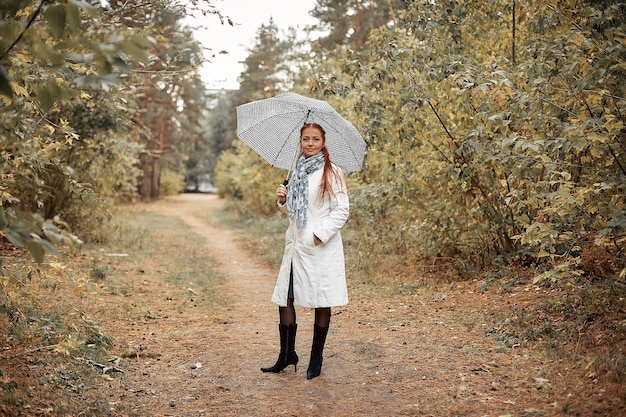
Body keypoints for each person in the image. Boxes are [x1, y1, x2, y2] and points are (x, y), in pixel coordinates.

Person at [261, 122, 350, 380]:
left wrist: (318, 235)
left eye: (315, 139)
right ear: (300, 142)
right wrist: (283, 198)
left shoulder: (331, 171)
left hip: (318, 246)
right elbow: (297, 208)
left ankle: (316, 357)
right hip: (295, 245)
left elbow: (341, 210)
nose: (310, 143)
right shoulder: (298, 170)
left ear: (323, 142)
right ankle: (287, 355)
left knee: (322, 299)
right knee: (285, 298)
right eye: (305, 139)